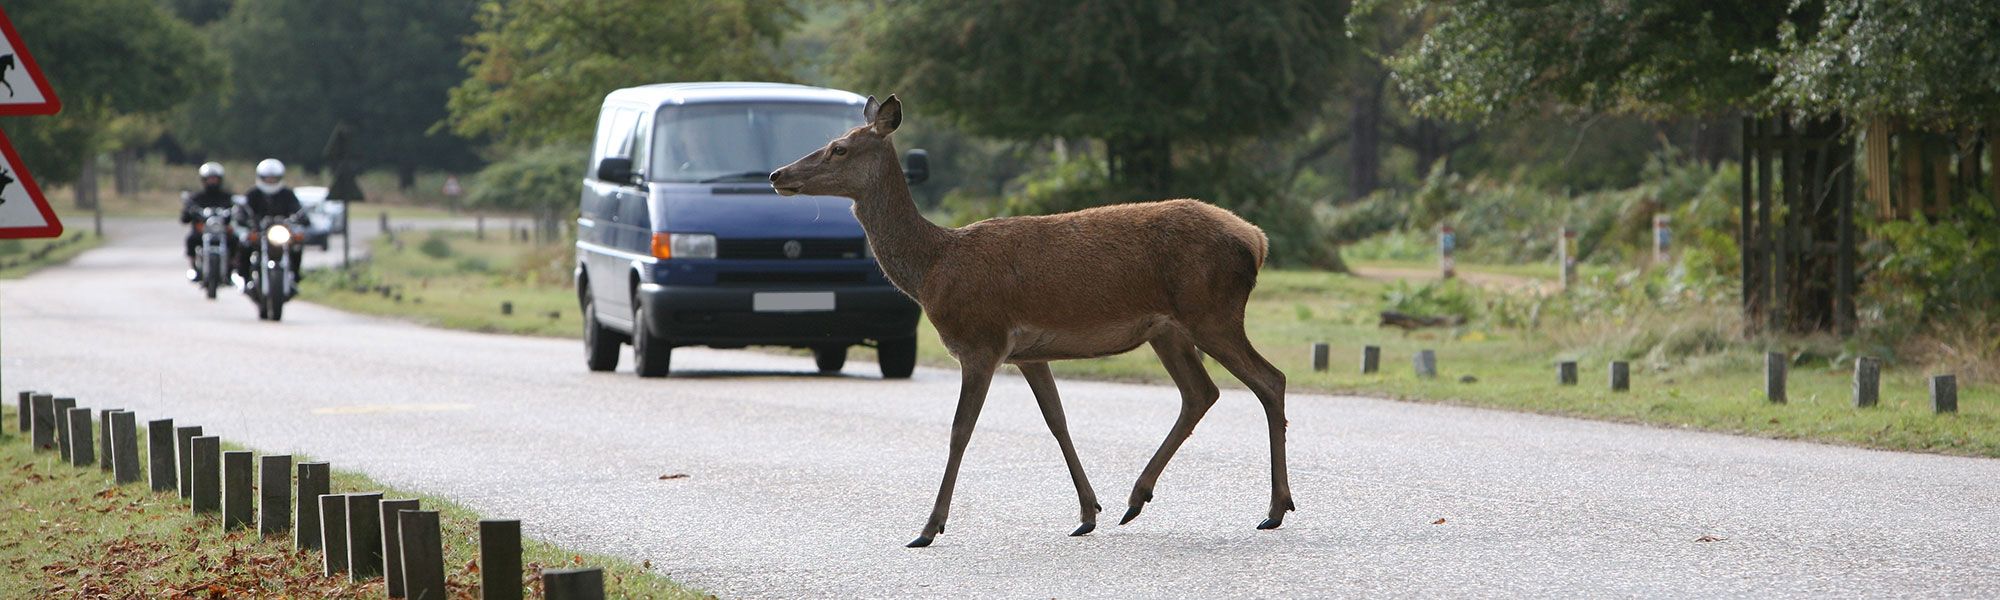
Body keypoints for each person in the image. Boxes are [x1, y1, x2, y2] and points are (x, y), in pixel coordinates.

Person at [240, 158, 307, 279]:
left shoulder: (287, 193)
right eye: (267, 178)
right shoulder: (253, 194)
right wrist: (247, 221)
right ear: (261, 177)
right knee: (245, 244)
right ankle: (245, 276)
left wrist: (301, 217)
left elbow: (297, 209)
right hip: (260, 231)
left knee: (297, 246)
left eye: (274, 178)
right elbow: (243, 210)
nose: (270, 181)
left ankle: (295, 275)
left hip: (282, 231)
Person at [179, 162, 235, 280]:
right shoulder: (196, 197)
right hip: (203, 231)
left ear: (220, 180)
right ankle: (194, 265)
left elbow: (237, 212)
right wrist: (190, 212)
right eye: (210, 179)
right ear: (204, 180)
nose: (212, 181)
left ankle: (231, 267)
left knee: (236, 241)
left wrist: (233, 213)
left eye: (215, 178)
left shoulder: (228, 197)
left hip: (222, 230)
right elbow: (185, 218)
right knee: (191, 239)